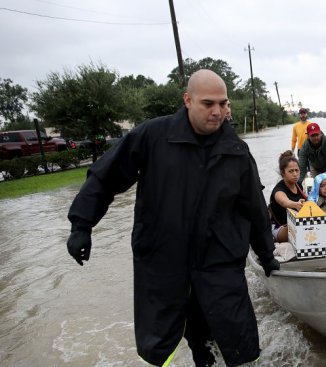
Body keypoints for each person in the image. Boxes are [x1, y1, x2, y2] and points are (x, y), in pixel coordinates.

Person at [65, 69, 280, 367]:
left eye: (223, 103)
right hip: (164, 265)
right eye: (208, 103)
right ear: (187, 100)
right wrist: (81, 225)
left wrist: (267, 254)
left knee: (232, 344)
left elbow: (254, 208)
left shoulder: (237, 151)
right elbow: (105, 177)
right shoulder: (153, 136)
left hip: (218, 267)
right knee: (161, 348)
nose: (217, 111)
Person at [269, 150, 306, 242]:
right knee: (300, 228)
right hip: (279, 228)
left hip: (296, 223)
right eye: (291, 171)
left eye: (297, 170)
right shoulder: (278, 190)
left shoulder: (299, 185)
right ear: (283, 173)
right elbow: (284, 201)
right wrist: (295, 204)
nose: (295, 174)